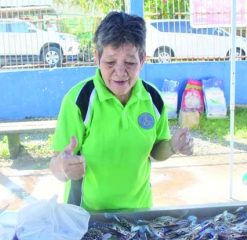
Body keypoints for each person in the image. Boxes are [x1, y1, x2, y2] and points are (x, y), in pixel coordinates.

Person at [49, 11, 193, 212]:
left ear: (142, 59)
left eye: (130, 63)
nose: (119, 71)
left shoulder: (153, 99)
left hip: (139, 215)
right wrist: (64, 167)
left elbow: (156, 150)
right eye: (110, 62)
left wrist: (173, 146)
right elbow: (57, 164)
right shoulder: (79, 100)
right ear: (96, 57)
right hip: (87, 217)